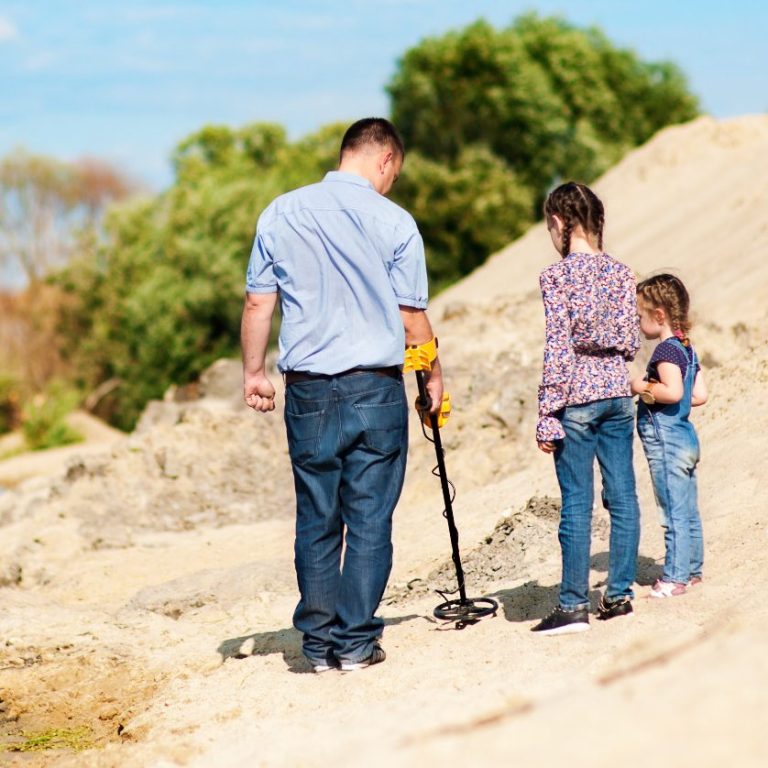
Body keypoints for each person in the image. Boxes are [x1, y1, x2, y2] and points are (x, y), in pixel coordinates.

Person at [240, 117, 443, 672]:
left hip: (307, 389)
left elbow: (260, 303)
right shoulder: (396, 222)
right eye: (394, 173)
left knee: (317, 514)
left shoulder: (279, 212)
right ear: (384, 160)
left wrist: (255, 373)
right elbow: (411, 318)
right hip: (375, 388)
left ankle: (318, 644)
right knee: (371, 517)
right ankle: (355, 643)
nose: (391, 182)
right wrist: (433, 379)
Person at [531, 181, 641, 635]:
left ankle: (573, 605)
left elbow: (558, 347)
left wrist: (546, 410)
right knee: (623, 496)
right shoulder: (623, 273)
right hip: (617, 391)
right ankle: (618, 596)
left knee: (576, 501)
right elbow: (632, 343)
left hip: (576, 398)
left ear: (559, 222)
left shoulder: (556, 276)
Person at [631, 274, 708, 598]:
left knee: (672, 510)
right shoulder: (686, 349)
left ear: (658, 315)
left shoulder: (665, 351)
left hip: (667, 442)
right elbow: (698, 394)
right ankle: (692, 570)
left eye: (639, 315)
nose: (636, 322)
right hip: (686, 437)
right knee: (688, 508)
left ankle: (674, 577)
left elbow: (674, 391)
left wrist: (640, 386)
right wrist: (670, 393)